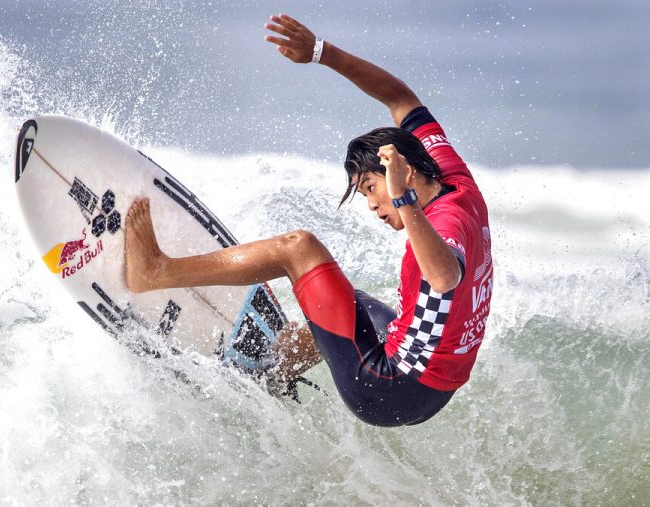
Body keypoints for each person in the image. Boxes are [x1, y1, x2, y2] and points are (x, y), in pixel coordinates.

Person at [124, 14, 493, 427]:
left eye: (372, 187)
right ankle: (271, 371)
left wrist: (403, 198)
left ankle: (156, 271)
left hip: (386, 389)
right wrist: (320, 52)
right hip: (430, 394)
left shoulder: (446, 220)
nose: (372, 204)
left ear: (404, 172)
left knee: (298, 248)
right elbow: (400, 98)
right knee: (355, 303)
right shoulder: (450, 175)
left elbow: (444, 277)